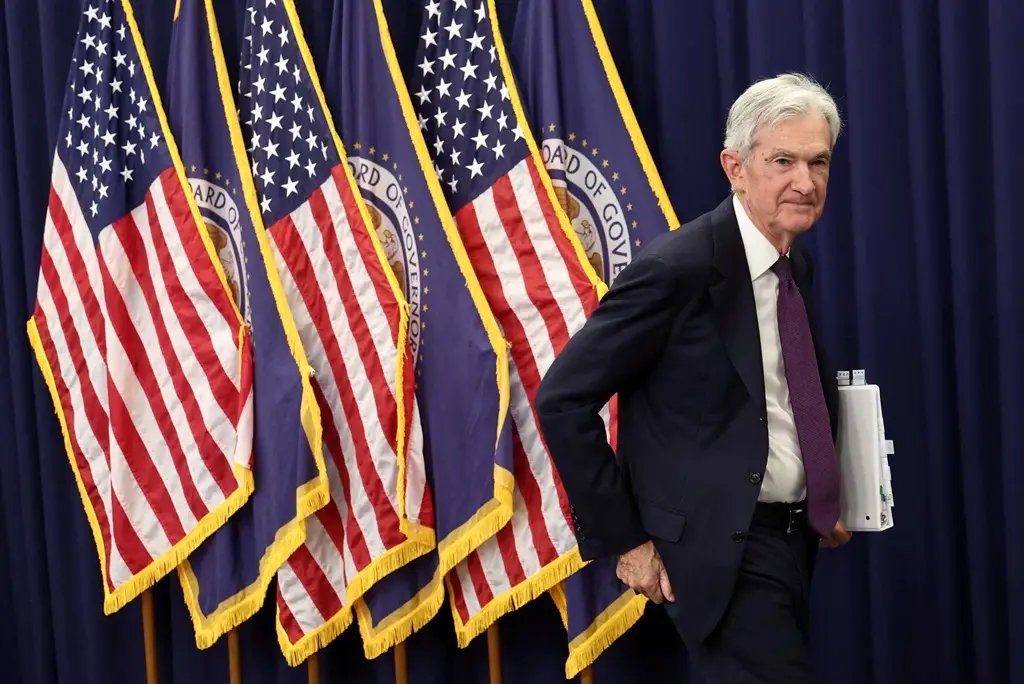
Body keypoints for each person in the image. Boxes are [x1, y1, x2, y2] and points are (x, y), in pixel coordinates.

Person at [536, 72, 852, 683]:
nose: (805, 182)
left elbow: (775, 401)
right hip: (720, 552)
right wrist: (626, 540)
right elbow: (562, 399)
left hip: (792, 541)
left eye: (818, 162)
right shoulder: (676, 269)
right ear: (735, 168)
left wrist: (823, 490)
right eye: (783, 161)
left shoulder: (795, 264)